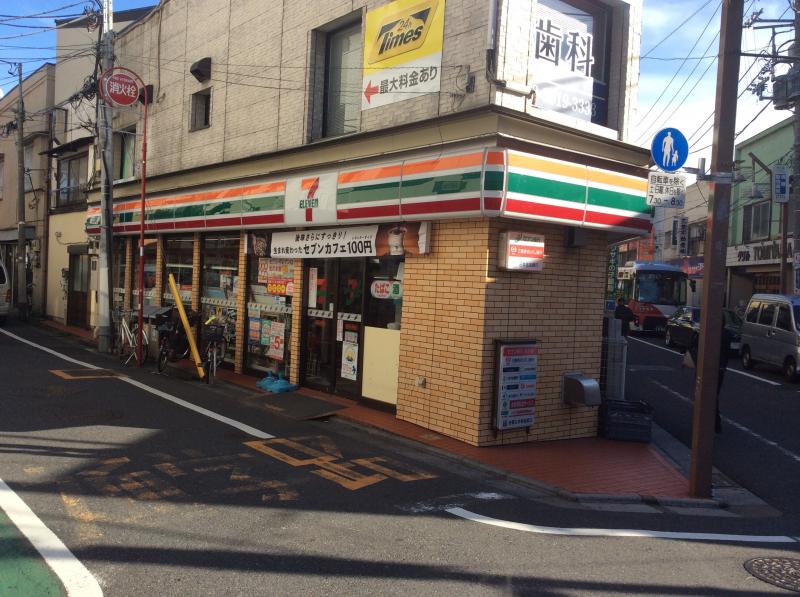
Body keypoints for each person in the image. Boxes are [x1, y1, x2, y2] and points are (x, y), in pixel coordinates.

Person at [688, 326, 731, 433]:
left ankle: (705, 422)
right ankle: (715, 423)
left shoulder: (705, 331)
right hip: (720, 369)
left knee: (702, 394)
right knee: (713, 396)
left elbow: (693, 344)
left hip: (705, 367)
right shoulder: (726, 334)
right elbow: (728, 351)